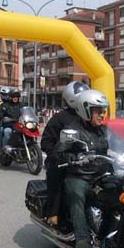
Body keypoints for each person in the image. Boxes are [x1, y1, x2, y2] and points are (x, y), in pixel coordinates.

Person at [59, 89, 110, 248]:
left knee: (123, 194)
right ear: (85, 110)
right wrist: (72, 157)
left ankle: (110, 233)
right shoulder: (73, 129)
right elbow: (59, 151)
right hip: (79, 175)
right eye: (98, 111)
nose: (102, 115)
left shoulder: (104, 130)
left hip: (100, 175)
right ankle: (83, 240)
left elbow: (118, 145)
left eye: (103, 110)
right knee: (76, 194)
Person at [41, 81, 90, 226]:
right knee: (57, 177)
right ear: (72, 98)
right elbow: (46, 141)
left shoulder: (87, 117)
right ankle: (53, 213)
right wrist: (57, 155)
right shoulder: (59, 118)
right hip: (63, 162)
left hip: (86, 161)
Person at [0, 87, 11, 152]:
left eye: (7, 94)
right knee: (1, 130)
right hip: (4, 123)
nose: (5, 96)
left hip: (15, 123)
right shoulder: (1, 104)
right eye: (3, 94)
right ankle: (1, 148)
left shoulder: (18, 104)